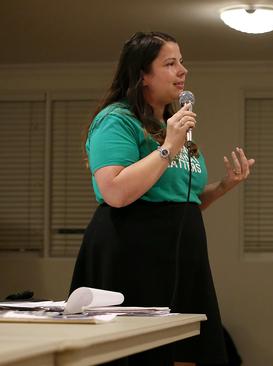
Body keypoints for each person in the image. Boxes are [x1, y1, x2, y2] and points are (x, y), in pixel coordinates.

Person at [69, 31, 254, 366]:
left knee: (193, 350)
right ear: (142, 74)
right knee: (140, 355)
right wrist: (169, 146)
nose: (183, 70)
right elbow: (115, 191)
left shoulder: (171, 128)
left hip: (181, 255)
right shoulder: (117, 120)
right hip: (133, 250)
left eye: (181, 62)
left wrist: (225, 185)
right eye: (170, 63)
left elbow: (184, 200)